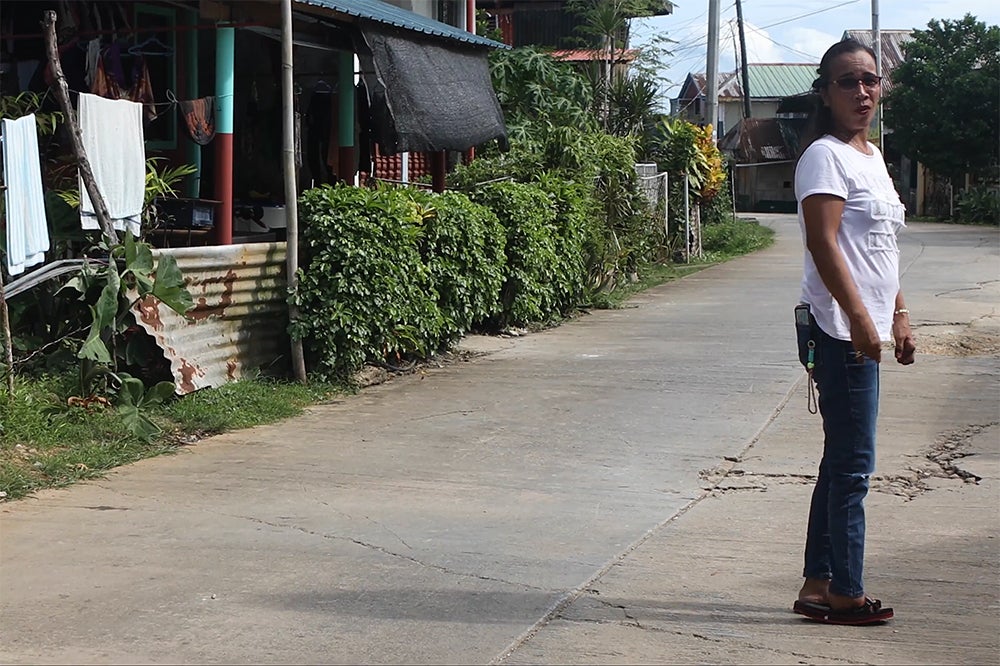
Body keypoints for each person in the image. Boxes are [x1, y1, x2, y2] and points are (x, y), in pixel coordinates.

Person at [791, 38, 916, 626]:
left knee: (839, 459)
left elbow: (879, 249)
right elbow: (824, 243)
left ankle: (819, 583)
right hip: (840, 332)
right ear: (826, 92)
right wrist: (862, 323)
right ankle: (846, 591)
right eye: (848, 82)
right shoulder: (825, 156)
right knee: (854, 465)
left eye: (870, 80)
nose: (862, 91)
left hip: (864, 330)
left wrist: (898, 315)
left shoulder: (872, 156)